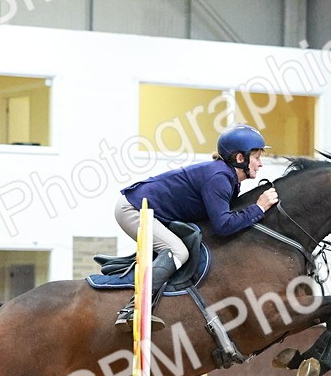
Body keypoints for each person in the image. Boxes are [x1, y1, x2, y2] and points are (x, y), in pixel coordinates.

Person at [113, 124, 279, 328]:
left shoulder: (226, 177)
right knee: (177, 251)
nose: (260, 164)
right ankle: (133, 309)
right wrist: (258, 209)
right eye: (257, 157)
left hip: (151, 211)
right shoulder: (220, 178)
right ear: (240, 158)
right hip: (134, 209)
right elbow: (223, 226)